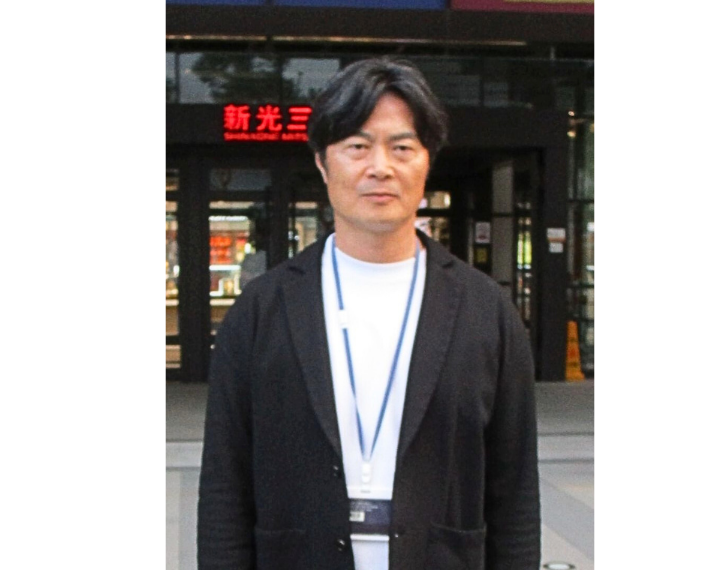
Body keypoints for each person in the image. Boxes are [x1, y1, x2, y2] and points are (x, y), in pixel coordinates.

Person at [197, 57, 540, 570]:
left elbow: (515, 495)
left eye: (402, 147)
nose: (380, 167)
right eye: (357, 146)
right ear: (322, 162)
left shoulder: (484, 311)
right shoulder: (262, 309)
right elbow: (225, 486)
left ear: (427, 161)